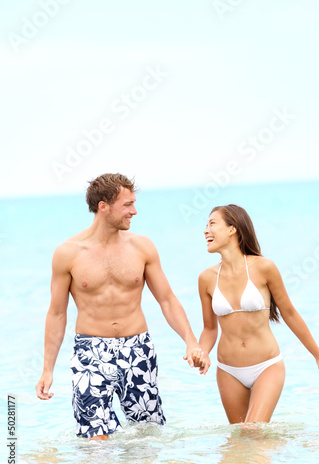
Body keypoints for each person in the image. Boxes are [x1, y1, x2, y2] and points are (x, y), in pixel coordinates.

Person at [36, 173, 208, 440]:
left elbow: (167, 299)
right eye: (127, 205)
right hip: (91, 353)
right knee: (95, 440)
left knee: (148, 436)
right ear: (103, 206)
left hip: (138, 349)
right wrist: (47, 369)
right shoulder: (67, 253)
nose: (134, 211)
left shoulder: (142, 247)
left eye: (134, 203)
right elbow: (57, 313)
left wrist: (190, 341)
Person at [197, 204, 319, 424]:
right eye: (206, 225)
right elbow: (209, 328)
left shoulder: (264, 268)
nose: (206, 230)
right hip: (228, 370)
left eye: (212, 223)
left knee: (253, 431)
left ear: (233, 229)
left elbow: (290, 314)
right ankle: (273, 455)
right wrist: (202, 352)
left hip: (266, 366)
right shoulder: (206, 278)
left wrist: (318, 357)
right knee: (241, 441)